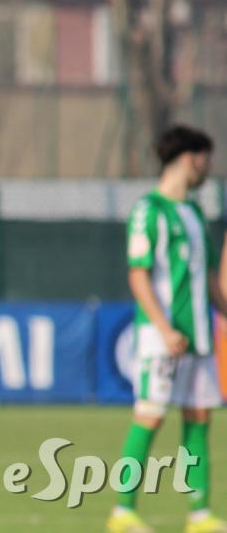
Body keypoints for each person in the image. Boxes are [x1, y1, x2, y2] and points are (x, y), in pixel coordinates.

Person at [108, 125, 227, 533]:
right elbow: (138, 274)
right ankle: (122, 510)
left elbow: (208, 278)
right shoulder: (149, 211)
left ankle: (200, 514)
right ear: (189, 158)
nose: (207, 168)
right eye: (205, 159)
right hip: (162, 338)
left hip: (198, 337)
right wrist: (163, 328)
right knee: (150, 414)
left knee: (200, 417)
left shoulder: (193, 213)